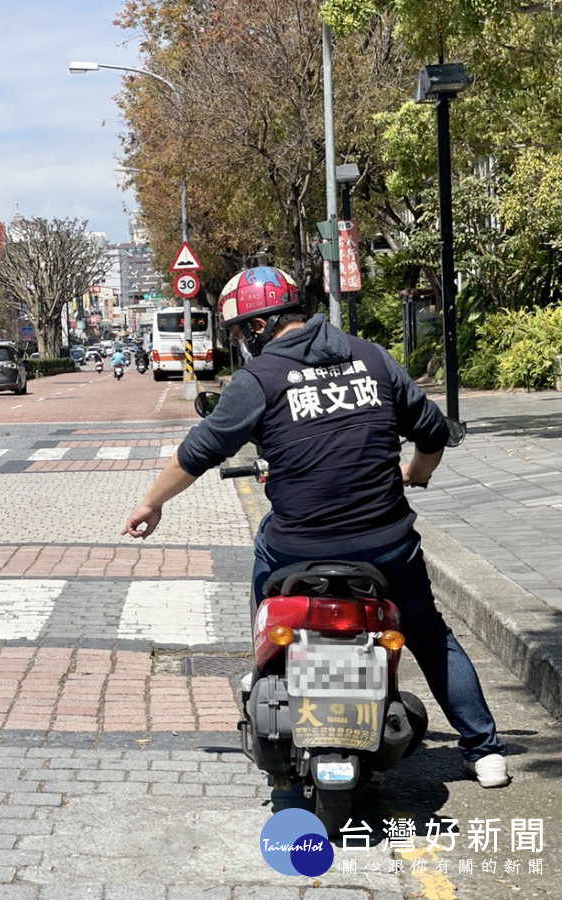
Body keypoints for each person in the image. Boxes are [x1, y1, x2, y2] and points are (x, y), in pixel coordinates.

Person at [121, 265, 509, 788]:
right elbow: (433, 430)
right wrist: (416, 472)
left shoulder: (257, 380)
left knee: (263, 546)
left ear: (259, 327)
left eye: (241, 332)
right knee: (428, 632)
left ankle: (268, 657)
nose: (241, 343)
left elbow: (197, 453)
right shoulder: (372, 357)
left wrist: (151, 504)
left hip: (298, 548)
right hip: (387, 544)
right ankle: (483, 750)